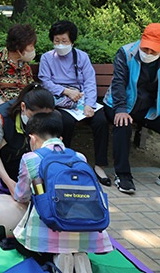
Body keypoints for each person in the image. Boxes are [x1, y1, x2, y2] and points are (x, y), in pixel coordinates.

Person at [13, 112, 113, 273]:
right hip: (88, 229)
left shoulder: (30, 158)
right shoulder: (79, 157)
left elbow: (21, 196)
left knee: (20, 242)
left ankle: (58, 258)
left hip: (48, 233)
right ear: (60, 139)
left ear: (32, 139)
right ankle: (78, 255)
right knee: (76, 246)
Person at [38, 20, 111, 186]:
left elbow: (90, 82)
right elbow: (45, 81)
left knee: (100, 121)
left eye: (64, 41)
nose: (60, 44)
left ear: (72, 41)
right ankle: (64, 162)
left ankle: (99, 165)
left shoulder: (82, 57)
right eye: (57, 41)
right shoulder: (47, 58)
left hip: (81, 99)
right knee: (66, 122)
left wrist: (90, 105)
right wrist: (66, 91)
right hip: (61, 100)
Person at [0, 83, 55, 211]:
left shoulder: (50, 118)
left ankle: (7, 176)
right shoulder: (0, 116)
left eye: (45, 117)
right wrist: (9, 182)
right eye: (35, 116)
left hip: (19, 155)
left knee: (36, 196)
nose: (40, 122)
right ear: (23, 107)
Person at [103, 23, 160, 194]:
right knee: (122, 124)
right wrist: (120, 108)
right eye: (146, 48)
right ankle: (123, 175)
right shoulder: (126, 53)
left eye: (154, 51)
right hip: (119, 104)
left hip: (148, 108)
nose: (148, 53)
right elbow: (119, 82)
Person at [0, 24, 37, 112]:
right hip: (0, 106)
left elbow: (30, 86)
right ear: (19, 46)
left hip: (22, 106)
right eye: (31, 46)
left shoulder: (24, 63)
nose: (33, 49)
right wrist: (3, 105)